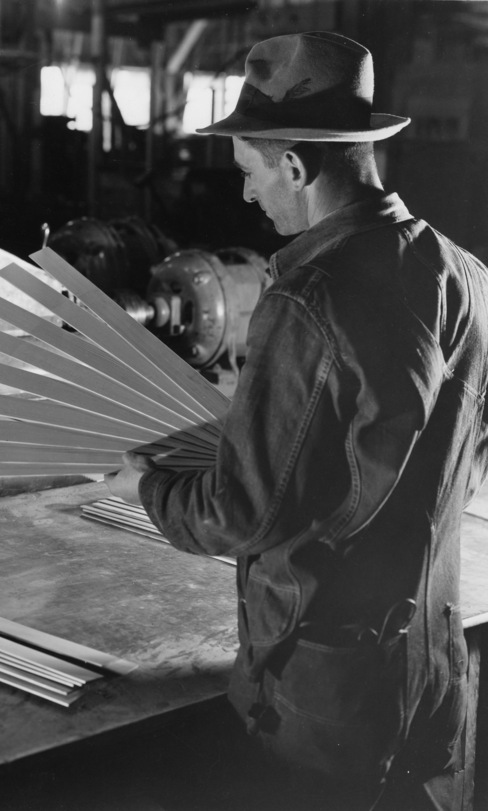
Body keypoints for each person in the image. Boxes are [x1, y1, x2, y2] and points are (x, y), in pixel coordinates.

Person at [105, 31, 488, 810]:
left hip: (323, 708)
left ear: (295, 166)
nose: (246, 195)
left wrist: (145, 485)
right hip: (436, 689)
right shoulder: (468, 275)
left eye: (249, 172)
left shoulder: (308, 301)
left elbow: (238, 512)